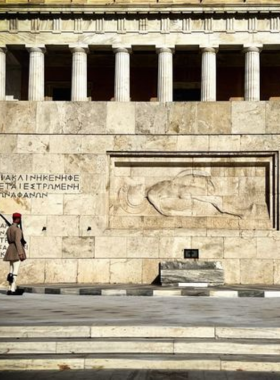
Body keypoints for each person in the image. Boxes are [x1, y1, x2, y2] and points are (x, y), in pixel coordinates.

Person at [3, 212, 26, 295]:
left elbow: (10, 240)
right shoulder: (17, 229)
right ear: (18, 219)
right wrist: (20, 253)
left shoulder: (9, 229)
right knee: (15, 271)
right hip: (16, 250)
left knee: (11, 271)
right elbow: (17, 241)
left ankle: (9, 288)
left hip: (10, 249)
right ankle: (13, 289)